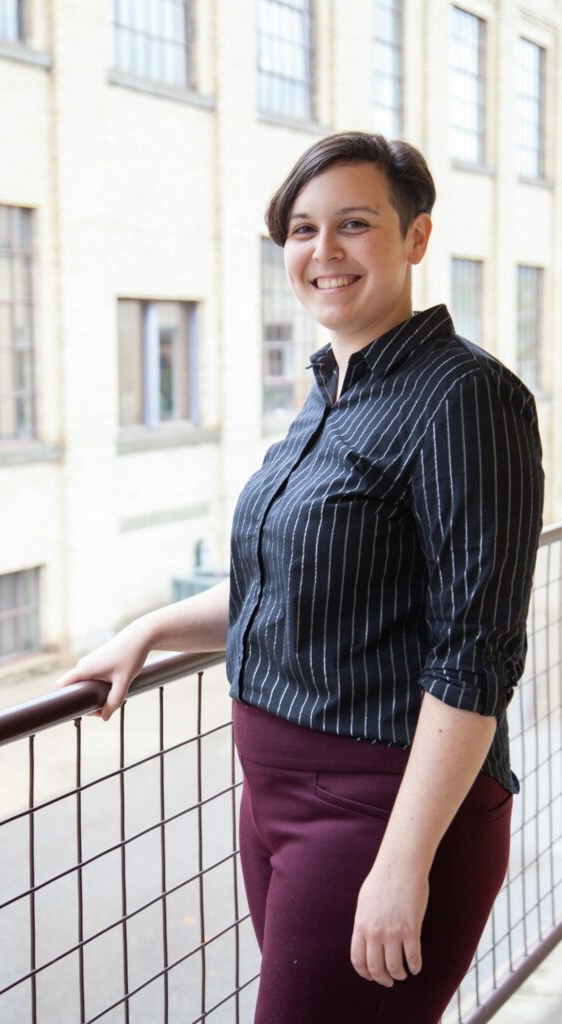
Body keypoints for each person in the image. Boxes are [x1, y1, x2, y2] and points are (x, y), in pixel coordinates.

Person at [55, 131, 545, 1023]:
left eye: (353, 224)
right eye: (301, 228)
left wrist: (402, 861)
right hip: (277, 800)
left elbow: (475, 654)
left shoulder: (466, 398)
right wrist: (149, 631)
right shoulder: (333, 389)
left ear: (415, 238)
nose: (323, 252)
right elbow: (285, 583)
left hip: (381, 813)